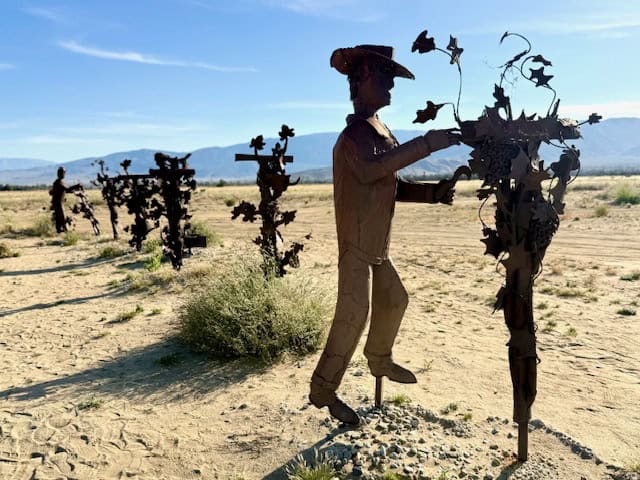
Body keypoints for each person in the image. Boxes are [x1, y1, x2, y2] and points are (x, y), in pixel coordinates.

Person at [309, 45, 461, 424]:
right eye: (384, 78)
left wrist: (430, 193)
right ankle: (323, 390)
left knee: (394, 300)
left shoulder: (381, 133)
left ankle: (380, 359)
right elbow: (371, 171)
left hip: (378, 246)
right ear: (360, 81)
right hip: (357, 248)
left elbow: (387, 180)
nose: (391, 87)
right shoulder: (354, 136)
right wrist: (427, 143)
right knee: (351, 318)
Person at [49, 167, 81, 233]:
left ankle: (60, 231)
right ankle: (66, 231)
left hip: (59, 203)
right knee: (62, 217)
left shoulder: (60, 182)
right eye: (61, 173)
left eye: (63, 173)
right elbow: (67, 189)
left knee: (59, 218)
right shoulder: (58, 182)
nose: (63, 174)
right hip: (58, 203)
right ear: (58, 173)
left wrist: (74, 190)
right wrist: (76, 186)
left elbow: (65, 190)